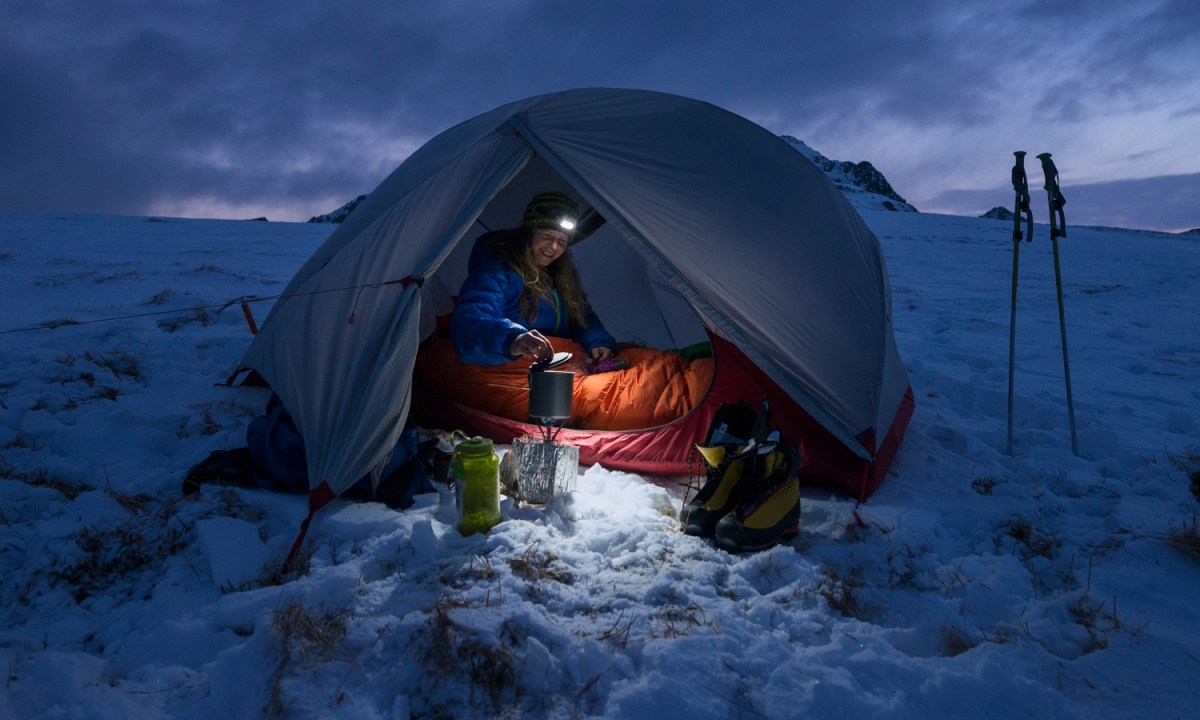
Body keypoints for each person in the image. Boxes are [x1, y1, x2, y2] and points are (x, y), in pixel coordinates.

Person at [451, 191, 617, 366]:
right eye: (547, 236)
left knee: (643, 362)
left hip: (557, 358)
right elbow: (472, 320)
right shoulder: (496, 272)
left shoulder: (559, 275)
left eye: (562, 241)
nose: (553, 248)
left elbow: (582, 317)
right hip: (508, 360)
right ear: (528, 233)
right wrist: (513, 340)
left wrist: (598, 342)